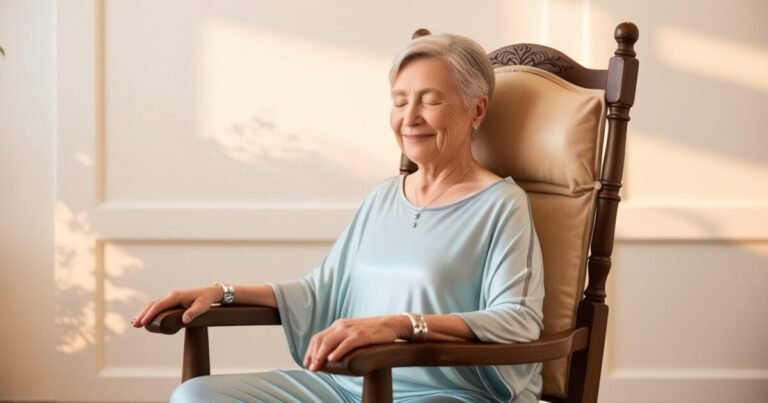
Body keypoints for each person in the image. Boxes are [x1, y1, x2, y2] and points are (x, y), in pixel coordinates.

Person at [132, 32, 545, 403]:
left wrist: (401, 325)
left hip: (442, 393)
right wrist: (221, 291)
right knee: (196, 396)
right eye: (400, 101)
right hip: (345, 384)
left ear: (477, 110)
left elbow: (518, 319)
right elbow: (321, 290)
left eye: (431, 100)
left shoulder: (502, 205)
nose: (410, 117)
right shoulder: (384, 196)